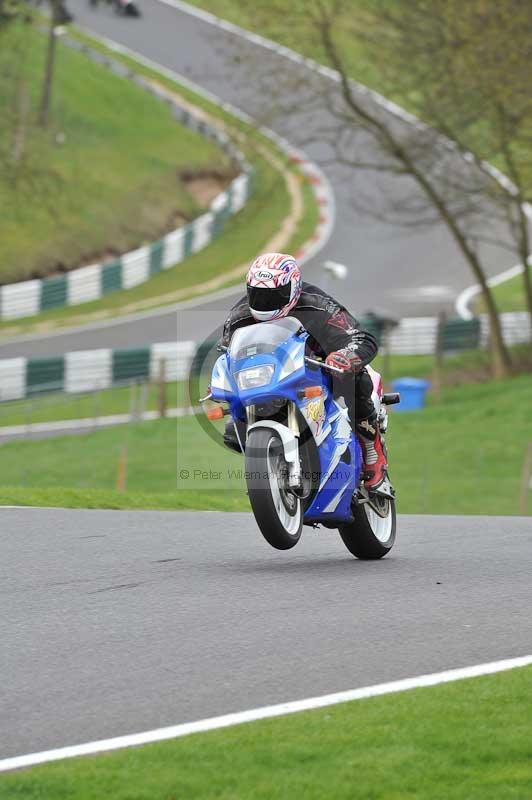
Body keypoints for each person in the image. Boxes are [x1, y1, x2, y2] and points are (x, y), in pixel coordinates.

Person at [220, 252, 387, 490]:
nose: (265, 302)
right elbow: (229, 354)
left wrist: (345, 356)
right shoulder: (239, 317)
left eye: (274, 295)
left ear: (293, 287)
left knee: (354, 377)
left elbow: (361, 338)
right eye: (258, 294)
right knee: (232, 430)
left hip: (319, 368)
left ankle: (371, 446)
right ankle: (273, 467)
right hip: (272, 376)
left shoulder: (316, 304)